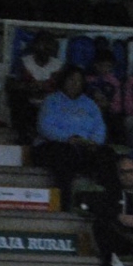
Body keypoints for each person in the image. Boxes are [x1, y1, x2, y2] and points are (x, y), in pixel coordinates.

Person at [32, 64, 110, 211]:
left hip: (83, 147)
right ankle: (64, 203)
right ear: (63, 81)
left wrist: (94, 142)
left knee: (107, 155)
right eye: (71, 80)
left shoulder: (90, 104)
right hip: (54, 145)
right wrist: (68, 138)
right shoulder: (52, 101)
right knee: (65, 155)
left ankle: (105, 203)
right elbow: (44, 127)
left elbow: (99, 127)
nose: (75, 84)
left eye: (78, 81)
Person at [6, 30, 63, 145]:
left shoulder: (59, 65)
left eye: (49, 44)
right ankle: (23, 134)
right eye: (42, 43)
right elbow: (11, 83)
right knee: (16, 96)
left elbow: (62, 87)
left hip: (50, 105)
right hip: (29, 103)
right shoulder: (24, 62)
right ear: (34, 45)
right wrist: (29, 86)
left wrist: (46, 87)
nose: (46, 47)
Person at [84, 48, 125, 146]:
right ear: (95, 65)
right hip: (88, 111)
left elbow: (118, 106)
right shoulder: (87, 81)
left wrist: (107, 104)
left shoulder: (114, 83)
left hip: (108, 113)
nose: (104, 69)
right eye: (101, 65)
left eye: (108, 66)